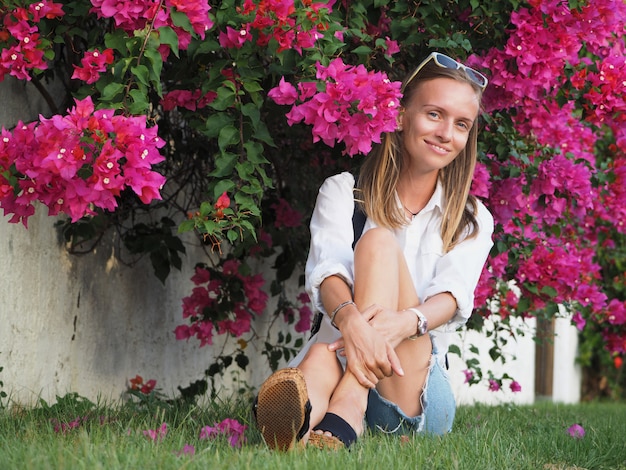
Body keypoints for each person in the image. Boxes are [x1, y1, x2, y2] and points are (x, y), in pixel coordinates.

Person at [254, 51, 494, 451]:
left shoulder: (471, 218)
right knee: (319, 358)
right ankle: (297, 428)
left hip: (408, 389)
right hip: (336, 355)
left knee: (378, 242)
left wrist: (398, 325)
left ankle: (350, 398)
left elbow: (452, 298)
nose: (446, 133)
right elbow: (327, 273)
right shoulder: (343, 192)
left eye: (461, 124)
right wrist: (354, 327)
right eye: (434, 114)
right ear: (401, 117)